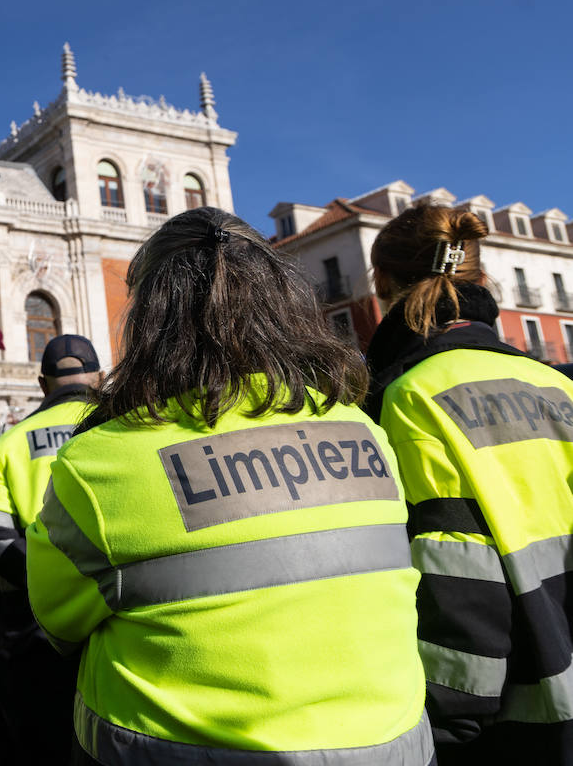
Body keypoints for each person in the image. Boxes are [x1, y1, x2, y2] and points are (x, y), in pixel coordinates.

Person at [27, 207, 433, 764]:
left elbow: (57, 624)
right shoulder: (361, 428)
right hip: (393, 748)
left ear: (148, 319)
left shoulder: (98, 461)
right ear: (284, 304)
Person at [365, 204, 573, 764]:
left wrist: (446, 732)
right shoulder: (555, 383)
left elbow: (455, 578)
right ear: (479, 278)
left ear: (382, 283)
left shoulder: (406, 397)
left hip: (517, 717)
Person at [0, 333, 100, 763]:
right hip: (121, 625)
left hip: (34, 636)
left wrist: (47, 584)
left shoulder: (7, 445)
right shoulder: (129, 428)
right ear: (99, 378)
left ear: (42, 385)